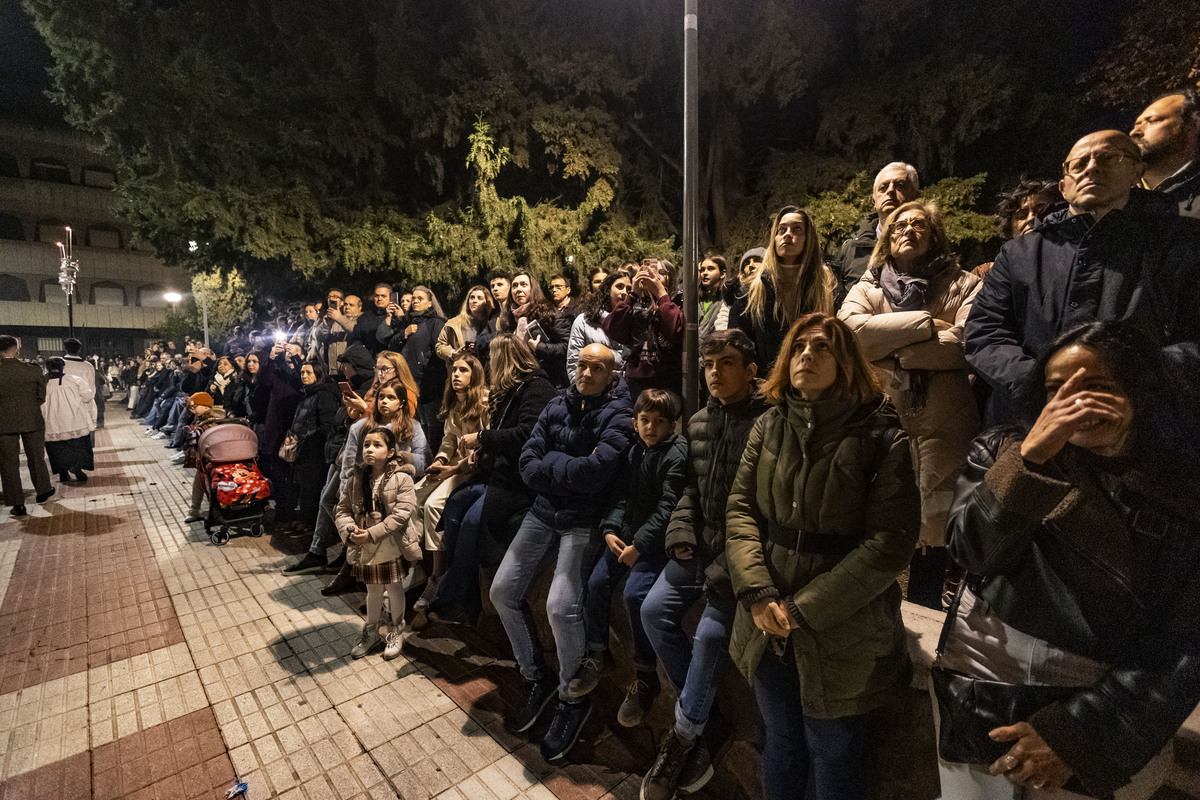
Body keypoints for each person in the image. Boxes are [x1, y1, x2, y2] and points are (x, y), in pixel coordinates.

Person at [940, 321, 1200, 799]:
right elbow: (968, 551)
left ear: (1142, 391)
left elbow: (1184, 645)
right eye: (1057, 389)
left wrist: (1077, 736)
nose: (1074, 403)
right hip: (980, 703)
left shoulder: (1181, 487)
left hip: (1093, 716)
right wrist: (1031, 462)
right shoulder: (1004, 449)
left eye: (1098, 387)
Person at [725, 313, 920, 800]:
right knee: (782, 741)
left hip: (842, 630)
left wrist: (802, 609)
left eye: (823, 348)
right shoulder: (769, 425)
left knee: (834, 753)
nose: (806, 356)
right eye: (799, 348)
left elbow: (889, 543)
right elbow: (742, 509)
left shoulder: (881, 436)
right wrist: (757, 592)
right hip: (765, 618)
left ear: (848, 362)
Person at [965, 130, 1200, 425]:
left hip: (1146, 424)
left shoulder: (1183, 242)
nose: (1092, 167)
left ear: (1136, 171)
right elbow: (985, 330)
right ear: (1064, 187)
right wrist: (1041, 385)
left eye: (1109, 157)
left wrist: (1123, 380)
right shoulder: (1018, 254)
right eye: (1079, 164)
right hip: (1029, 419)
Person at [638, 329, 770, 800]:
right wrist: (680, 532)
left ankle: (686, 736)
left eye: (727, 363)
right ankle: (704, 714)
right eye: (710, 365)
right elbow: (691, 492)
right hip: (700, 549)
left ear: (751, 370)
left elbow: (764, 509)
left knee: (712, 636)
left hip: (740, 558)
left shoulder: (770, 422)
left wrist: (726, 562)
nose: (716, 373)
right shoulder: (697, 423)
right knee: (652, 611)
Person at [489, 343, 635, 762]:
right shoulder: (558, 403)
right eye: (581, 365)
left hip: (584, 520)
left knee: (560, 606)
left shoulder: (619, 414)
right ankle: (534, 676)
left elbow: (596, 474)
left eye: (597, 368)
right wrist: (565, 466)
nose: (586, 374)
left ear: (613, 375)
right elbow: (528, 462)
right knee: (502, 591)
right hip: (544, 512)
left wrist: (555, 466)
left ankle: (573, 698)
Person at [838, 200, 982, 608]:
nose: (908, 230)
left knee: (934, 531)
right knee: (880, 518)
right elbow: (851, 335)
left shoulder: (963, 284)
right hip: (884, 417)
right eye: (900, 224)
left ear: (934, 235)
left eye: (919, 224)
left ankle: (924, 610)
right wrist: (923, 326)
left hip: (945, 421)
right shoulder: (866, 286)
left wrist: (893, 352)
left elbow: (967, 343)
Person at [576, 388, 687, 728]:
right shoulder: (634, 451)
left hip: (653, 543)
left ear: (673, 425)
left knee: (635, 594)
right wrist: (611, 527)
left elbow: (669, 508)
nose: (651, 428)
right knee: (595, 583)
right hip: (628, 534)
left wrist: (639, 544)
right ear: (634, 422)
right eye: (644, 421)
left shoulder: (676, 456)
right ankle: (596, 651)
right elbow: (621, 494)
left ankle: (645, 674)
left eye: (659, 422)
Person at [425, 334, 555, 625]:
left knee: (473, 520)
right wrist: (478, 455)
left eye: (492, 359)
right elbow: (496, 439)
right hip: (498, 469)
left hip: (519, 479)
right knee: (454, 507)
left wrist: (482, 438)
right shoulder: (511, 390)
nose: (489, 365)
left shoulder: (536, 388)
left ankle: (459, 599)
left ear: (505, 359)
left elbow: (525, 436)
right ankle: (461, 590)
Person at [409, 352, 490, 631]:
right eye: (454, 370)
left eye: (463, 370)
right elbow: (449, 439)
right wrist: (441, 459)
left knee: (433, 506)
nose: (456, 375)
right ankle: (416, 566)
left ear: (475, 375)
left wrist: (453, 468)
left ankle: (437, 575)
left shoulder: (483, 403)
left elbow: (484, 448)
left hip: (472, 470)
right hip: (454, 464)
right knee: (413, 497)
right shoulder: (455, 403)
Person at [284, 344, 376, 576]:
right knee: (327, 500)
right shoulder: (354, 388)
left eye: (347, 364)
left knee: (336, 502)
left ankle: (344, 553)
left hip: (353, 455)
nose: (343, 369)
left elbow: (372, 426)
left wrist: (361, 410)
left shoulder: (369, 391)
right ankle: (321, 552)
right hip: (340, 452)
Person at [336, 426, 419, 661]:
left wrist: (372, 533)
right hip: (367, 546)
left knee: (393, 587)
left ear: (391, 452)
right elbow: (342, 510)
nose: (369, 449)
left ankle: (396, 630)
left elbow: (401, 514)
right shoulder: (356, 478)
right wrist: (350, 530)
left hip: (391, 544)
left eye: (377, 445)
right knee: (372, 590)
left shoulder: (402, 478)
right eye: (366, 445)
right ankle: (371, 631)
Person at [728, 206, 837, 372]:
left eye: (797, 229)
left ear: (808, 238)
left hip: (814, 379)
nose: (787, 234)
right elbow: (738, 347)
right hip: (766, 386)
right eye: (782, 229)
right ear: (774, 238)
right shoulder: (751, 291)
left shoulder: (826, 286)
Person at [378, 285, 447, 458]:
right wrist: (404, 333)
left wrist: (431, 381)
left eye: (420, 299)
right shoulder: (409, 322)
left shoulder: (435, 322)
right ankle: (423, 460)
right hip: (411, 382)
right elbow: (392, 345)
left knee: (433, 425)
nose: (415, 302)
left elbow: (438, 354)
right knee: (420, 424)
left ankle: (433, 461)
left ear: (430, 303)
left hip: (428, 383)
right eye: (413, 298)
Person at [833, 162, 921, 296]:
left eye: (900, 186)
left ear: (915, 196)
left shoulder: (929, 245)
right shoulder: (851, 249)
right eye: (883, 187)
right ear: (874, 199)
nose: (890, 191)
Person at [602, 258, 685, 397]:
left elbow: (676, 330)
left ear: (672, 278)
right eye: (651, 271)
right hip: (635, 380)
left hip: (667, 381)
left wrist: (661, 295)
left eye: (662, 273)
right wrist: (633, 295)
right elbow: (612, 329)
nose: (655, 276)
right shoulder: (636, 304)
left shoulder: (677, 303)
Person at [283, 359, 341, 530]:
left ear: (319, 374)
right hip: (304, 450)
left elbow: (327, 425)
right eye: (302, 372)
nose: (304, 376)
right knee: (305, 487)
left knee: (313, 487)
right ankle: (306, 519)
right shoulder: (309, 393)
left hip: (315, 451)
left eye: (308, 372)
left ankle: (311, 523)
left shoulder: (324, 394)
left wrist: (307, 437)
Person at [0, 336, 54, 515]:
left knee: (9, 463)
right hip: (32, 419)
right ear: (16, 349)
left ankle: (17, 504)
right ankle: (43, 491)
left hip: (4, 423)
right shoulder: (33, 370)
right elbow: (41, 396)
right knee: (36, 457)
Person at [494, 270, 572, 389]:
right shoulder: (509, 318)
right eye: (515, 286)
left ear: (533, 288)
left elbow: (567, 346)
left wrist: (539, 347)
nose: (518, 289)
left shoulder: (549, 313)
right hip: (516, 381)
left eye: (524, 285)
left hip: (547, 382)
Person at [972, 179, 1064, 280]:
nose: (1031, 218)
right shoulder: (988, 275)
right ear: (1010, 229)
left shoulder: (1077, 263)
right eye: (1022, 215)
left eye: (1041, 211)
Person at [1130, 87, 1200, 218]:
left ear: (1193, 126)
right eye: (1136, 125)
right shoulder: (1119, 199)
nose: (1134, 132)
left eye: (1151, 121)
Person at [567, 271, 632, 383]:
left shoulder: (634, 322)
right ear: (608, 290)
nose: (624, 292)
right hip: (589, 389)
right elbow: (574, 364)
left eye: (629, 289)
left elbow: (632, 368)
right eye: (619, 287)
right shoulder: (584, 321)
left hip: (622, 391)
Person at [41, 357, 96, 484]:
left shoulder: (42, 382)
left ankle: (63, 473)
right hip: (74, 419)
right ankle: (77, 469)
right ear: (63, 366)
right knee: (76, 446)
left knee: (56, 448)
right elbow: (88, 396)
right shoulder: (74, 380)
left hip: (51, 420)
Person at [436, 285, 495, 363]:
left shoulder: (492, 323)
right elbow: (440, 345)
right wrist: (453, 353)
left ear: (486, 302)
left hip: (484, 368)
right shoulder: (454, 323)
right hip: (460, 366)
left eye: (479, 298)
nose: (474, 300)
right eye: (472, 297)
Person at [62, 337, 97, 432]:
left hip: (64, 404)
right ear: (79, 349)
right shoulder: (87, 366)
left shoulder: (60, 364)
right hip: (84, 404)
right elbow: (91, 388)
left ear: (65, 348)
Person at [697, 254, 729, 341]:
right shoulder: (695, 298)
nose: (705, 273)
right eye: (702, 270)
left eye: (710, 269)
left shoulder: (727, 299)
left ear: (722, 274)